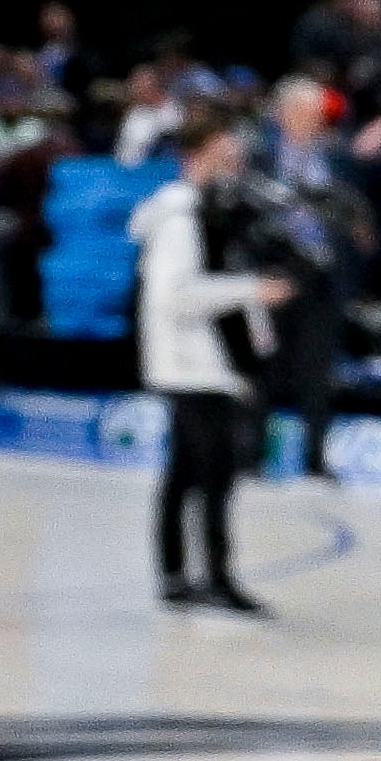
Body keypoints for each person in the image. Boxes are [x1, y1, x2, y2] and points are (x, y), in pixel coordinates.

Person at [132, 102, 284, 616]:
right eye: (226, 150)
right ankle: (213, 576)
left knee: (185, 469)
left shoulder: (208, 211)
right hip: (192, 361)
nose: (236, 159)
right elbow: (176, 295)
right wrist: (250, 291)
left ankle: (176, 574)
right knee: (212, 470)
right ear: (200, 154)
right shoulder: (182, 215)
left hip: (201, 358)